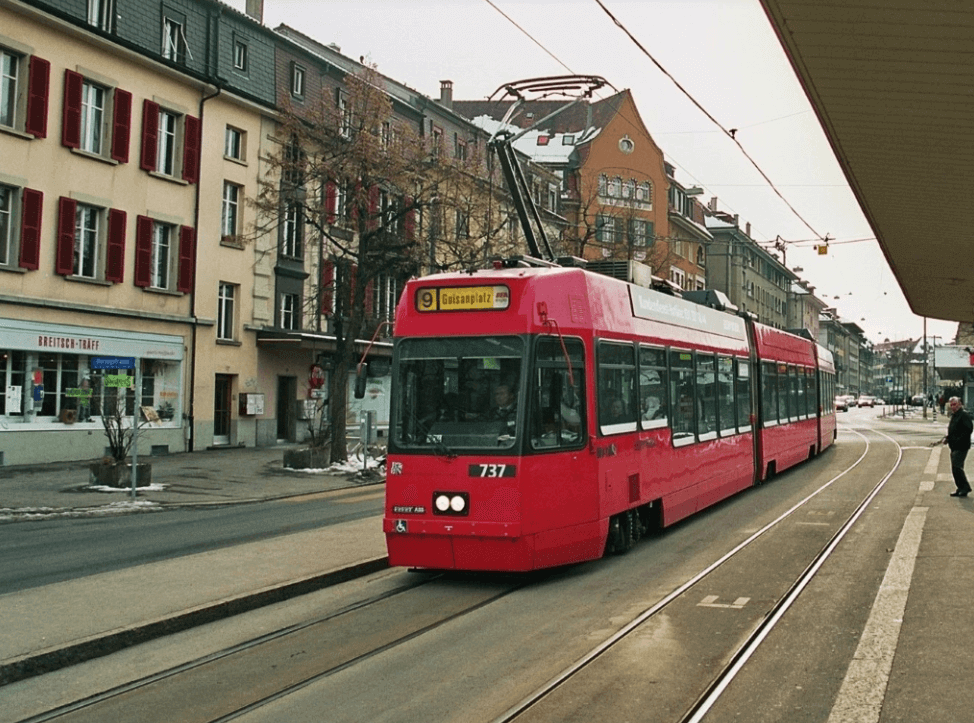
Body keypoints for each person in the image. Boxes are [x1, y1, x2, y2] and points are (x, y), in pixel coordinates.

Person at [943, 396, 973, 497]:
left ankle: (965, 487)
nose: (953, 407)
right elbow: (954, 429)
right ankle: (960, 488)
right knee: (955, 468)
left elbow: (968, 429)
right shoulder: (955, 415)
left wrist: (957, 439)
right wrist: (948, 438)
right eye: (951, 405)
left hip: (961, 446)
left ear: (960, 404)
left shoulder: (963, 415)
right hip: (954, 445)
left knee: (957, 467)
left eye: (954, 404)